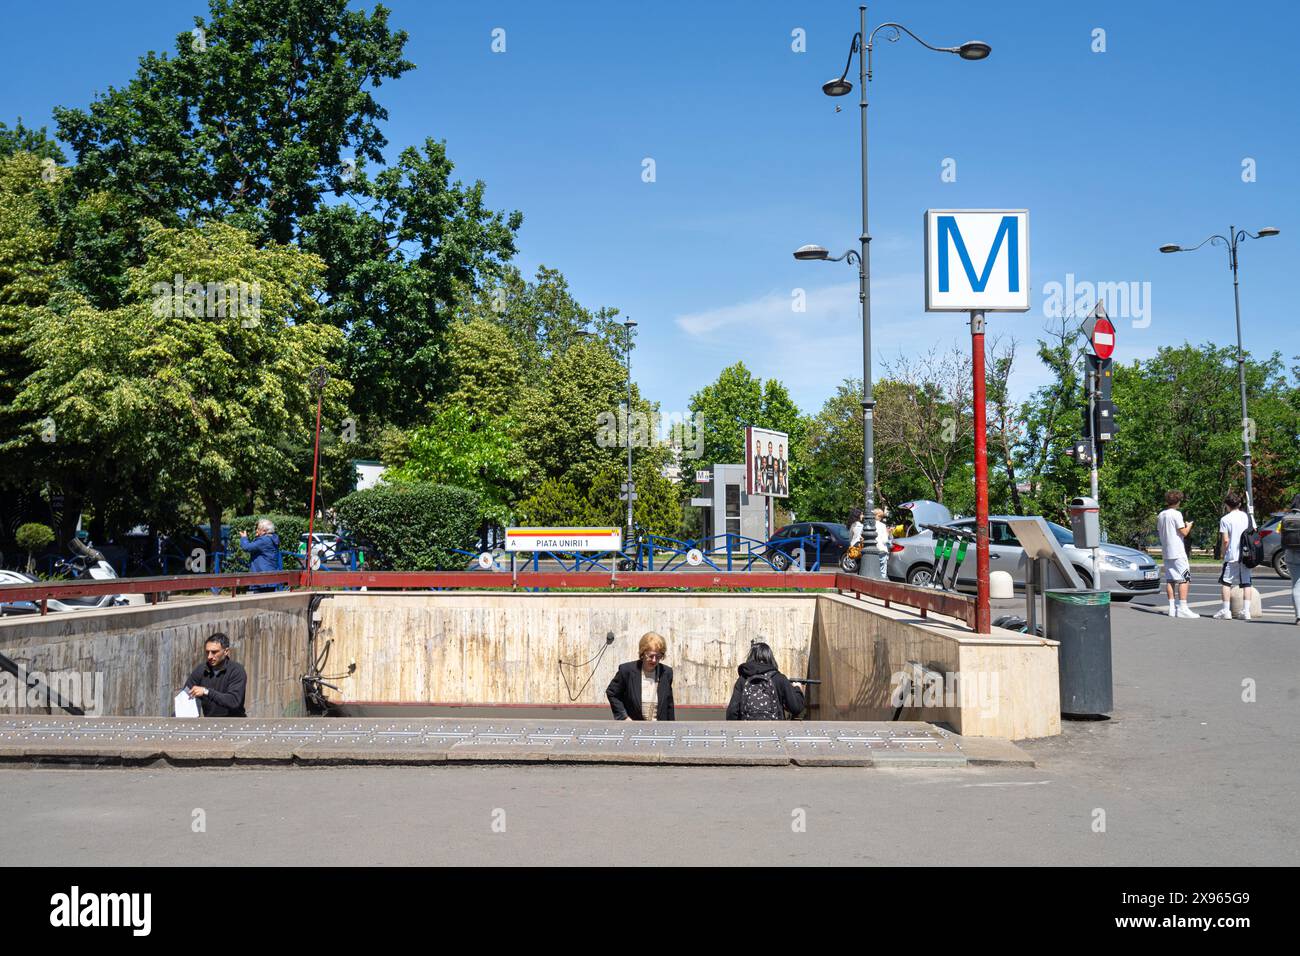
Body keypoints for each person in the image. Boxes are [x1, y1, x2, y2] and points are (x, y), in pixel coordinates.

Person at [726, 641, 805, 720]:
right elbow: (796, 708)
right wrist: (797, 689)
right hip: (775, 730)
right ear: (770, 658)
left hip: (747, 730)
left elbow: (732, 712)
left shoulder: (743, 680)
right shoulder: (779, 679)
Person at [606, 632, 675, 721]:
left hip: (660, 730)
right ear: (643, 653)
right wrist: (624, 717)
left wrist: (672, 727)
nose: (654, 660)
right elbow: (612, 693)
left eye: (658, 656)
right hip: (633, 729)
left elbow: (669, 704)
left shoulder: (666, 672)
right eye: (651, 656)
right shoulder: (627, 671)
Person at [183, 633, 247, 717]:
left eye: (214, 652)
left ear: (226, 651)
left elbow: (234, 701)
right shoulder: (201, 670)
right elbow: (185, 697)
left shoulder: (236, 671)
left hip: (234, 724)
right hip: (210, 724)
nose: (209, 656)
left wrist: (206, 692)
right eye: (207, 652)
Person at [1214, 491, 1255, 620]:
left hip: (1232, 555)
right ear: (1239, 504)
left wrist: (1222, 553)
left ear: (1227, 505)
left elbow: (1225, 540)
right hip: (1246, 555)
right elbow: (1253, 533)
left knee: (1226, 582)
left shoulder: (1225, 519)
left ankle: (1226, 611)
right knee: (1246, 583)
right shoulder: (1248, 517)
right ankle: (1246, 611)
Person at [1157, 490, 1196, 618]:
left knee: (1170, 579)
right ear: (1178, 501)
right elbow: (1183, 532)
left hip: (1166, 551)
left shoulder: (1161, 515)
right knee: (1185, 578)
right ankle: (1183, 607)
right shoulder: (1176, 514)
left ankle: (1172, 607)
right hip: (1178, 551)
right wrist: (1189, 525)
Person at [238, 519, 282, 592]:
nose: (256, 530)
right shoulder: (272, 538)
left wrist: (244, 538)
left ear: (264, 531)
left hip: (262, 578)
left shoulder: (264, 540)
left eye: (258, 529)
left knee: (260, 602)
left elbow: (247, 547)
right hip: (270, 577)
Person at [1280, 493, 1300, 625]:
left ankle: (1298, 616)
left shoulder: (1285, 518)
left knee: (1296, 584)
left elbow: (1282, 536)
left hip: (1289, 554)